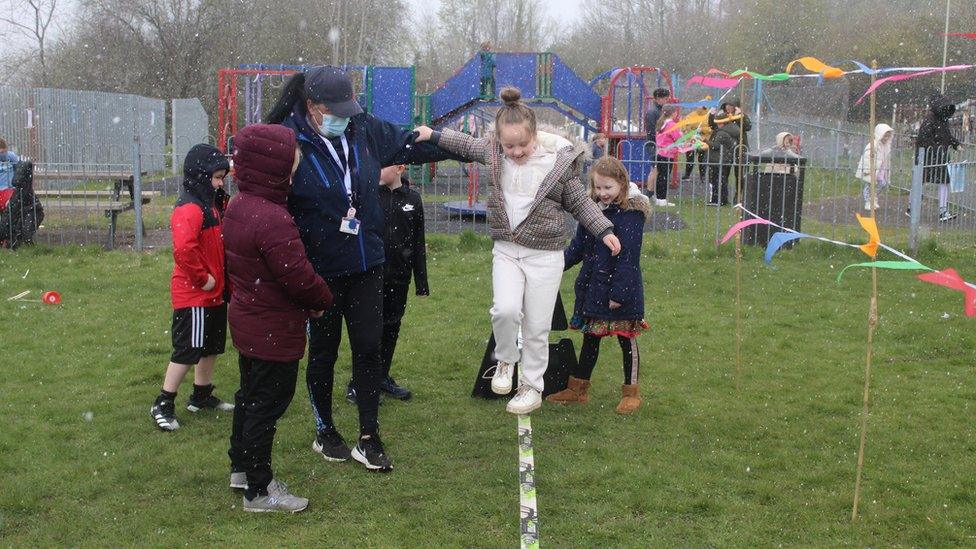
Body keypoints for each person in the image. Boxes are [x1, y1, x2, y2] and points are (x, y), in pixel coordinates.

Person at [266, 67, 464, 472]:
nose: (342, 117)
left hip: (367, 261)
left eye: (347, 109)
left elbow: (412, 144)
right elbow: (270, 203)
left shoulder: (362, 128)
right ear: (312, 108)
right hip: (319, 269)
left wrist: (468, 146)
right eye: (332, 111)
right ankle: (325, 430)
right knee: (323, 350)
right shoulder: (287, 141)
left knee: (368, 347)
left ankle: (369, 436)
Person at [414, 86, 622, 415]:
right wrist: (432, 134)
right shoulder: (495, 154)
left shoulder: (557, 164)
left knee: (538, 327)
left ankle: (531, 387)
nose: (516, 152)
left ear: (534, 135)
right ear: (499, 141)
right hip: (507, 250)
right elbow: (465, 144)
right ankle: (506, 362)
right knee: (505, 311)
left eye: (522, 144)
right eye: (509, 145)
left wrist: (604, 230)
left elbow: (581, 203)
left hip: (545, 255)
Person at [223, 124, 334, 513]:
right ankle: (259, 489)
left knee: (249, 396)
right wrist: (322, 299)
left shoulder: (239, 205)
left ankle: (241, 468)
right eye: (292, 166)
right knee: (266, 405)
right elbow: (296, 275)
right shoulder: (271, 218)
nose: (295, 173)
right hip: (272, 328)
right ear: (275, 168)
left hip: (249, 322)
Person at [547, 156, 649, 413]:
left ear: (622, 185)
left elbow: (628, 258)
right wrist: (553, 266)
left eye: (608, 188)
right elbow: (578, 247)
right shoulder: (591, 212)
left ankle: (631, 392)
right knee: (591, 340)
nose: (603, 194)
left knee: (627, 341)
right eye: (598, 188)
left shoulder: (631, 215)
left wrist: (620, 294)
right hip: (594, 288)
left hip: (620, 292)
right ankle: (578, 389)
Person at [150, 144, 233, 432]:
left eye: (222, 176)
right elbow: (184, 250)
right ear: (200, 176)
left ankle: (201, 394)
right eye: (217, 177)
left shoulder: (211, 204)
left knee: (210, 347)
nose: (221, 182)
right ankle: (164, 401)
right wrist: (204, 279)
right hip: (195, 295)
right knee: (187, 349)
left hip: (213, 294)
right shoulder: (190, 208)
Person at [346, 164, 427, 404]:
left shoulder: (413, 200)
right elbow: (352, 231)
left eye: (384, 166)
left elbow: (418, 242)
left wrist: (421, 282)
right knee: (369, 330)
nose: (377, 171)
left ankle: (381, 377)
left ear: (400, 168)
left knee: (392, 326)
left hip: (399, 277)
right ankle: (358, 384)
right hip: (371, 275)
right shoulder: (367, 196)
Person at [913, 93, 961, 222]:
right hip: (927, 158)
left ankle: (943, 211)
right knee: (919, 182)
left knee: (944, 182)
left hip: (941, 157)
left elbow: (947, 136)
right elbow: (924, 139)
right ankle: (912, 207)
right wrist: (936, 151)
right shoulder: (929, 120)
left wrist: (956, 144)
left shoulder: (943, 120)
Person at [855, 124, 893, 211]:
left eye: (888, 136)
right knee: (870, 185)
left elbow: (886, 158)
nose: (886, 138)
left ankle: (874, 198)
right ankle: (868, 201)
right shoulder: (873, 145)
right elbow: (867, 157)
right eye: (885, 135)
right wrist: (867, 169)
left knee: (882, 183)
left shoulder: (886, 146)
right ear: (880, 134)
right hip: (873, 169)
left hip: (881, 169)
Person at [643, 88, 671, 195]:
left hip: (658, 144)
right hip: (654, 144)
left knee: (657, 169)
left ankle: (651, 192)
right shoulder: (653, 112)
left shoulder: (659, 111)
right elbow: (651, 130)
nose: (667, 100)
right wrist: (659, 142)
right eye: (665, 98)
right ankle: (649, 193)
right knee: (656, 169)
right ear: (659, 98)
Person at [653, 105, 681, 207]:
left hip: (660, 153)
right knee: (664, 177)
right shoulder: (672, 125)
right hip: (667, 154)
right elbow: (678, 138)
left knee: (660, 176)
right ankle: (663, 199)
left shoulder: (661, 123)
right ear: (673, 113)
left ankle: (659, 198)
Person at [682, 107, 711, 182]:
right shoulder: (691, 115)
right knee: (690, 158)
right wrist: (692, 134)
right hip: (692, 141)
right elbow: (686, 126)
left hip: (703, 141)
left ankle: (702, 177)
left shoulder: (709, 116)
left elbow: (711, 129)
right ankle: (687, 175)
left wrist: (702, 130)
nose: (699, 109)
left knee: (702, 160)